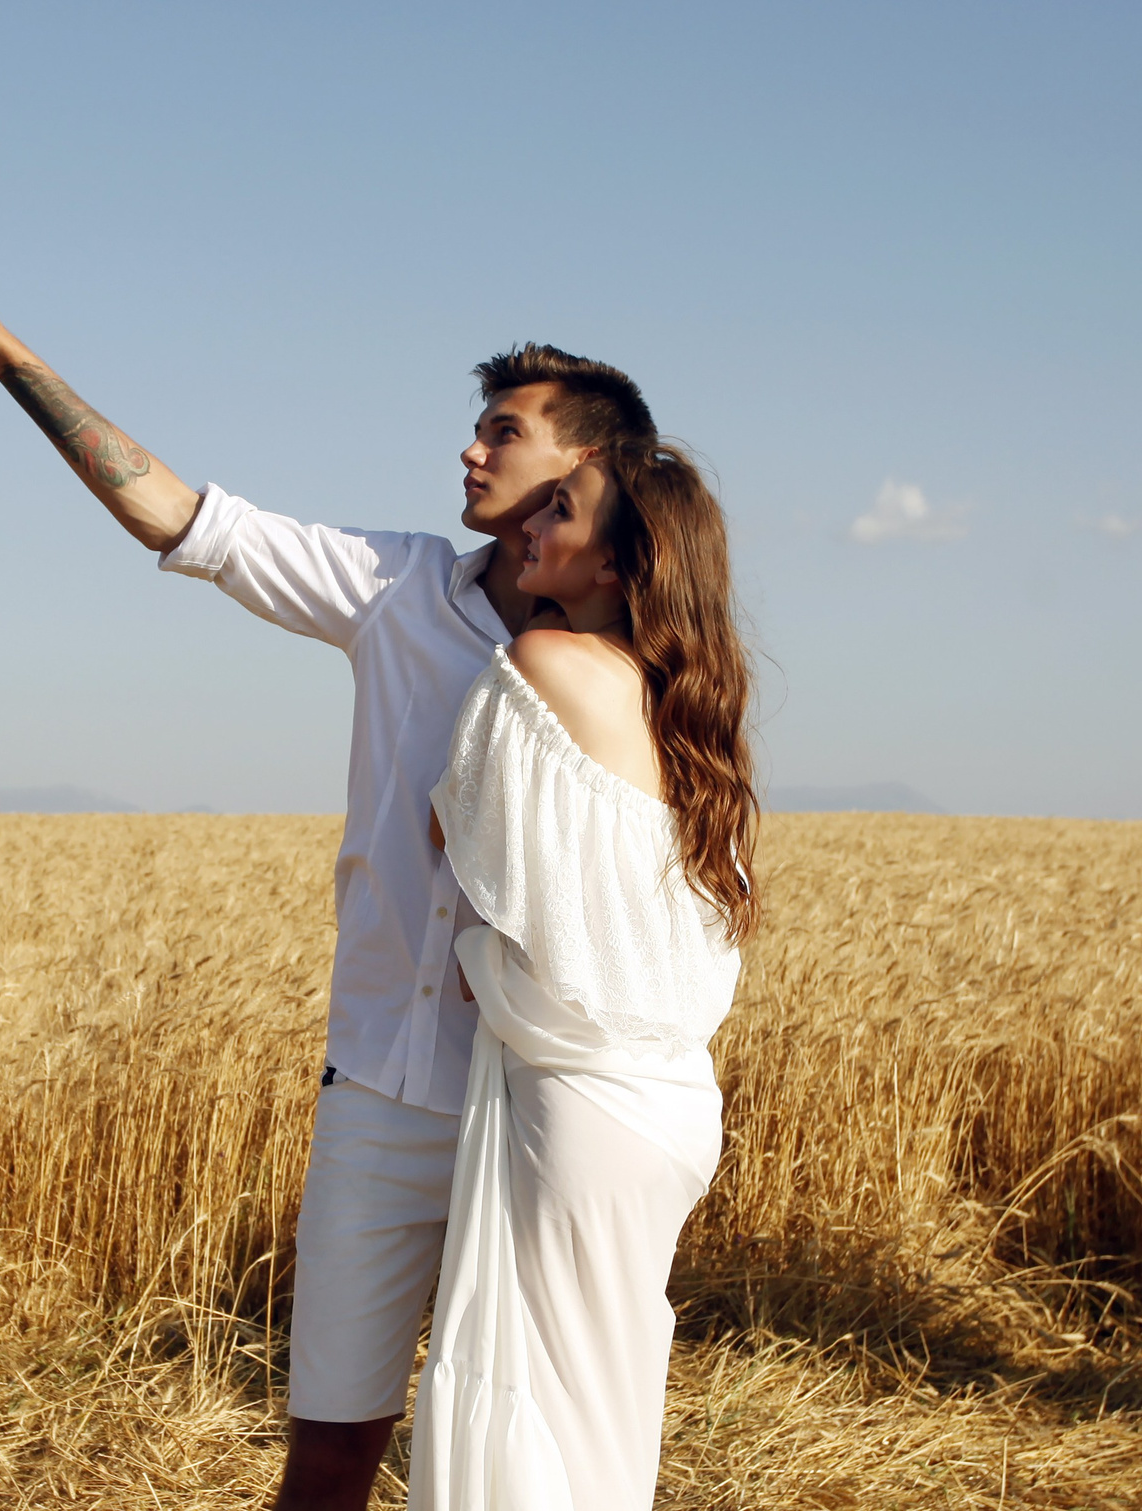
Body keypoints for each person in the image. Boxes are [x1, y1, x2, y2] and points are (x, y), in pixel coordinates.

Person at [0, 256, 657, 1509]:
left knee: (525, 1455)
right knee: (330, 1454)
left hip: (530, 1115)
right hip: (375, 1096)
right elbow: (180, 518)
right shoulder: (395, 585)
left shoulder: (638, 676)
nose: (468, 451)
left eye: (501, 433)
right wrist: (9, 357)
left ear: (581, 472)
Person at [412, 441, 756, 1510]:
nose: (525, 524)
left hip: (576, 1103)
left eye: (557, 510)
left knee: (532, 1408)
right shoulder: (691, 716)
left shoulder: (546, 663)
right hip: (668, 1110)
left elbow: (450, 832)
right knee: (604, 1413)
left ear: (613, 566)